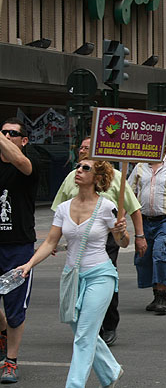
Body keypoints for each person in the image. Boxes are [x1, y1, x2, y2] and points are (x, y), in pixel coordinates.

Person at [17, 159, 129, 388]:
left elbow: (122, 242)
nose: (78, 170)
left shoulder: (107, 206)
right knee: (79, 328)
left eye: (85, 168)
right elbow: (50, 242)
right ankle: (111, 371)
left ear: (97, 178)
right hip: (71, 276)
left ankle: (74, 385)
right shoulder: (63, 208)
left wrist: (122, 232)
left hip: (101, 275)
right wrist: (29, 264)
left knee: (84, 336)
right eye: (78, 166)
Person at [51, 136, 147, 347]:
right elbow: (58, 208)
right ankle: (87, 326)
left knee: (104, 283)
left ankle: (108, 325)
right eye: (81, 148)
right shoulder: (71, 177)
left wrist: (138, 236)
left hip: (104, 238)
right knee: (77, 286)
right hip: (76, 239)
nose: (83, 151)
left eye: (88, 148)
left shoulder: (116, 178)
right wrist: (53, 241)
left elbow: (134, 209)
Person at [128, 150, 166, 315]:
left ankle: (162, 296)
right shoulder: (140, 166)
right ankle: (156, 294)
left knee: (160, 253)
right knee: (144, 257)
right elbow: (129, 192)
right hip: (144, 220)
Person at [0, 118, 38, 384]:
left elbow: (20, 163)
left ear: (23, 141)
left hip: (18, 246)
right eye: (3, 132)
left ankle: (10, 361)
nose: (6, 136)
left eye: (11, 133)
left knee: (15, 308)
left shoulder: (30, 162)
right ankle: (2, 330)